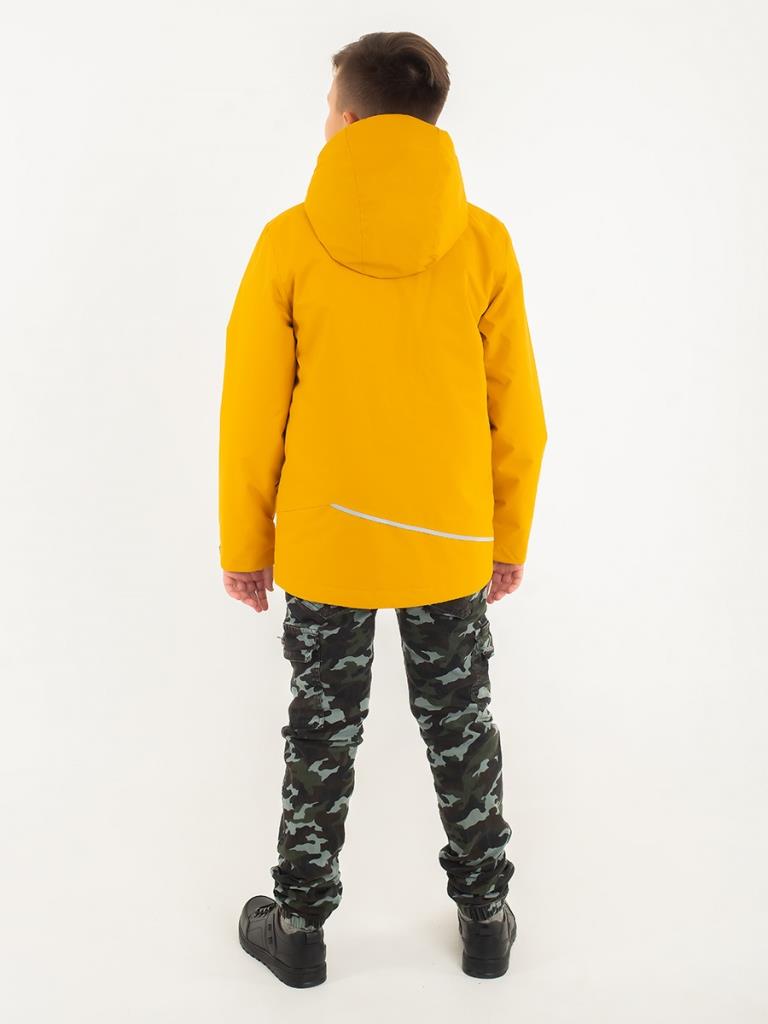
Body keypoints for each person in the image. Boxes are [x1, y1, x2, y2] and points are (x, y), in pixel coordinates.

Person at [218, 31, 547, 988]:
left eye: (329, 105)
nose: (325, 120)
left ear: (350, 117)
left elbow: (252, 413)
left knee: (322, 731)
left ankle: (300, 930)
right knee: (462, 726)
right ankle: (485, 921)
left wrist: (246, 543)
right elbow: (518, 412)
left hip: (328, 542)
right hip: (449, 537)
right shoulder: (484, 242)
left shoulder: (288, 241)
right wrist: (507, 535)